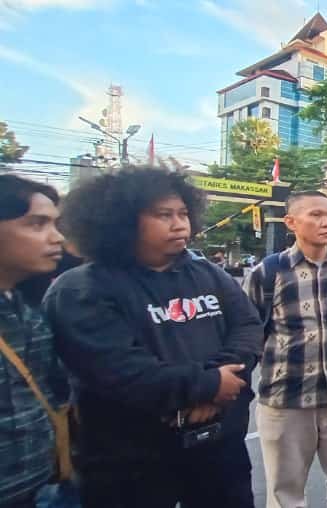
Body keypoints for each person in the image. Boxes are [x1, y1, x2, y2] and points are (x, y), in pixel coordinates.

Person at [43, 168, 263, 508]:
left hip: (219, 448)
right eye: (164, 215)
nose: (179, 224)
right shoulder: (82, 289)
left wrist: (217, 385)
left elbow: (248, 327)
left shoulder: (207, 273)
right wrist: (206, 385)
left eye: (183, 213)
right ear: (123, 221)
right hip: (129, 461)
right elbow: (117, 369)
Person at [242, 191, 327, 508]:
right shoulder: (268, 273)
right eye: (316, 215)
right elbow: (246, 336)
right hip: (286, 401)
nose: (326, 222)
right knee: (285, 492)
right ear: (291, 222)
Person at [0, 176, 69, 508]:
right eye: (37, 224)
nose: (57, 237)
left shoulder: (28, 309)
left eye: (55, 224)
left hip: (40, 488)